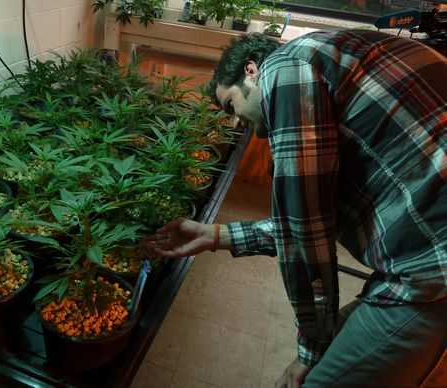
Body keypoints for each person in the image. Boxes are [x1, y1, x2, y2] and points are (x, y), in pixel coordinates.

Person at [145, 30, 447, 387]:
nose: (235, 123)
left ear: (252, 71)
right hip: (422, 253)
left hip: (430, 270)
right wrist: (214, 234)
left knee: (315, 380)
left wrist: (310, 350)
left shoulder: (286, 71)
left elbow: (307, 237)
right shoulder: (326, 53)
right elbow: (309, 219)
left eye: (230, 106)